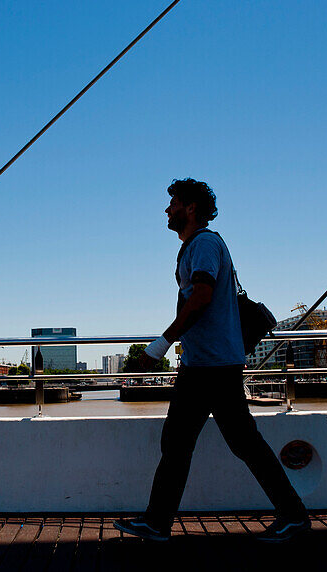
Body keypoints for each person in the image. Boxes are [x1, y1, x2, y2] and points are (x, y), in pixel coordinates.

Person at [114, 178, 309, 543]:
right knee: (186, 444)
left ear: (190, 208)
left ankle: (293, 516)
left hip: (214, 368)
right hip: (203, 365)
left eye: (172, 202)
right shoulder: (193, 247)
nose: (167, 209)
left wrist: (160, 344)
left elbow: (202, 295)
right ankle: (157, 522)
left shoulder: (203, 244)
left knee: (229, 443)